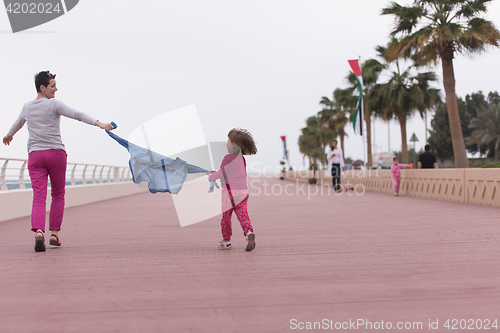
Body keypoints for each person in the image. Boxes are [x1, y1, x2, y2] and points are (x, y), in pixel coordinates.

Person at [2, 71, 114, 252]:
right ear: (42, 88)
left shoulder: (27, 107)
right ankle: (54, 234)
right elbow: (77, 114)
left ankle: (39, 231)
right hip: (55, 154)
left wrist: (9, 135)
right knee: (58, 194)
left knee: (39, 196)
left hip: (35, 156)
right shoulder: (54, 104)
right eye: (53, 86)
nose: (56, 89)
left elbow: (18, 123)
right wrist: (99, 123)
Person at [208, 128, 257, 251]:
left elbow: (222, 173)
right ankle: (248, 233)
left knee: (226, 217)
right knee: (243, 215)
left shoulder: (228, 158)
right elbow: (230, 172)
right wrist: (214, 173)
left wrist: (211, 176)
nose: (226, 144)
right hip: (243, 192)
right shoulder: (241, 159)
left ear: (234, 146)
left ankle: (226, 241)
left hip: (229, 193)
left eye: (228, 141)